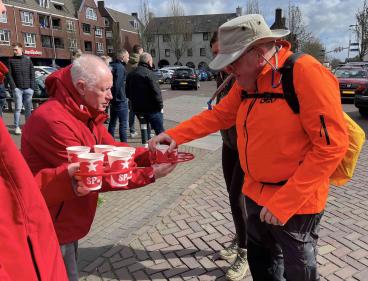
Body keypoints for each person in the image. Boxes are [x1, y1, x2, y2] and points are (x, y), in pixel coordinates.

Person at [149, 14, 349, 281]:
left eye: (233, 63)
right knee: (263, 267)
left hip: (297, 203)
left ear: (257, 53)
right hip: (255, 194)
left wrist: (285, 203)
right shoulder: (248, 80)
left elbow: (331, 146)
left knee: (299, 270)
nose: (228, 71)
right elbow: (220, 115)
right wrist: (174, 135)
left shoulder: (305, 73)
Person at [21, 54, 176, 281]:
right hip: (48, 223)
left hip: (65, 216)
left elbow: (112, 149)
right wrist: (149, 174)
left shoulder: (83, 112)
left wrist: (150, 155)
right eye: (105, 90)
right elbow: (91, 174)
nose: (111, 96)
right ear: (82, 87)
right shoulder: (53, 120)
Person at [0, 1, 68, 280]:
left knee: (26, 107)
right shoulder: (53, 118)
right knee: (20, 108)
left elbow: (18, 191)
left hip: (38, 258)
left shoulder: (26, 62)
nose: (4, 9)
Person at [209, 31, 248, 281]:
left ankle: (245, 252)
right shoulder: (221, 75)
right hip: (228, 144)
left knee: (238, 198)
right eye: (213, 53)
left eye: (220, 53)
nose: (217, 59)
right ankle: (239, 237)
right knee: (232, 197)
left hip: (246, 147)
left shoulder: (242, 77)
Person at [126, 52, 164, 145]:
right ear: (148, 61)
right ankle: (166, 151)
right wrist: (160, 106)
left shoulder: (131, 74)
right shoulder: (150, 74)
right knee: (160, 132)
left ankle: (147, 148)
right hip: (152, 109)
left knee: (144, 128)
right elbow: (156, 92)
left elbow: (127, 93)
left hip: (138, 109)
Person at [8, 42, 36, 135]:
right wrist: (14, 87)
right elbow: (9, 75)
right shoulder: (11, 60)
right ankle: (17, 127)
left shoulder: (28, 59)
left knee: (28, 109)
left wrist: (32, 87)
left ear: (21, 49)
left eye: (16, 49)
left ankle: (28, 126)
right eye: (13, 50)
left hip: (28, 89)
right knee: (18, 108)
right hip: (18, 89)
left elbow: (32, 73)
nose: (14, 51)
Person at [108, 49, 130, 142]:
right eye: (128, 57)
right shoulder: (120, 68)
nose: (128, 59)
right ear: (122, 57)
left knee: (112, 123)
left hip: (114, 100)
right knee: (123, 123)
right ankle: (124, 145)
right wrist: (114, 97)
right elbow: (117, 84)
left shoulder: (111, 66)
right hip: (120, 99)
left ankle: (109, 142)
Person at [126, 44, 143, 137]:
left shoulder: (128, 62)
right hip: (139, 90)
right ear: (139, 51)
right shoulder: (140, 62)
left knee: (132, 111)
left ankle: (132, 131)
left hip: (130, 89)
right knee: (143, 112)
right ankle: (145, 131)